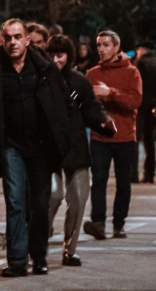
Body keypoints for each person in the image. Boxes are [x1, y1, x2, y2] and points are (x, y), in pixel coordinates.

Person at [0, 19, 71, 277]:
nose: (13, 42)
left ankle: (39, 256)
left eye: (17, 37)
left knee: (40, 204)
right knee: (15, 201)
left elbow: (63, 102)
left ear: (26, 39)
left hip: (41, 147)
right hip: (11, 145)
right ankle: (16, 261)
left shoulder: (44, 67)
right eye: (8, 37)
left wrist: (62, 138)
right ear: (2, 40)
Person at [46, 34, 113, 266]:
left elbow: (92, 108)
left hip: (75, 147)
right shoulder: (41, 80)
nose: (56, 60)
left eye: (60, 55)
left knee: (78, 199)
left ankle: (69, 250)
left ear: (69, 55)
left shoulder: (79, 81)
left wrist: (103, 121)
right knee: (52, 196)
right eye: (52, 55)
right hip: (49, 149)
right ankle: (39, 237)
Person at [83, 30, 142, 240]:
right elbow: (83, 103)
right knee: (98, 179)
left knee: (123, 183)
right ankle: (98, 222)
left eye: (106, 45)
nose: (101, 49)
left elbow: (135, 101)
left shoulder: (132, 72)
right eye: (99, 45)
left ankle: (119, 224)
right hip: (100, 137)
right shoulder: (92, 74)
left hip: (125, 136)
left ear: (117, 48)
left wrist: (111, 94)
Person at [134, 42, 156, 183]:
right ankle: (149, 173)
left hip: (141, 106)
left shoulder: (140, 63)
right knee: (149, 141)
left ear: (141, 50)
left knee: (135, 139)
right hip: (153, 106)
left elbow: (135, 83)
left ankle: (133, 174)